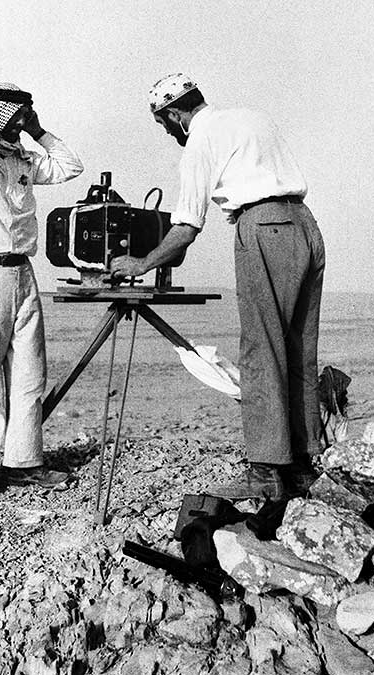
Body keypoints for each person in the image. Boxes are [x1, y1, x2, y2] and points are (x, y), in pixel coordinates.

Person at [110, 74, 325, 500]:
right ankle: (302, 464)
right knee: (299, 350)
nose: (167, 132)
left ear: (174, 113)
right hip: (306, 226)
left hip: (263, 227)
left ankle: (265, 470)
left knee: (262, 348)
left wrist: (140, 264)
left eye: (164, 124)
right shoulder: (250, 118)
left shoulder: (199, 143)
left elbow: (186, 227)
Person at [0, 82, 85, 495]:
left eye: (25, 111)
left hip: (22, 271)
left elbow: (69, 165)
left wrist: (39, 133)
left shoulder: (23, 158)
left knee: (29, 372)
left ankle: (25, 461)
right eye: (14, 111)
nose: (20, 117)